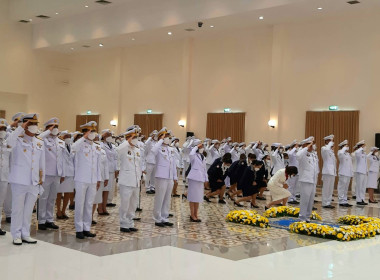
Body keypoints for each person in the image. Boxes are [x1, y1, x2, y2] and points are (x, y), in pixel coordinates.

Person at [8, 114, 45, 245]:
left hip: (34, 181)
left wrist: (42, 180)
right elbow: (8, 144)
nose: (34, 126)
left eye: (36, 124)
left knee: (29, 209)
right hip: (19, 180)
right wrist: (19, 129)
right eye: (31, 124)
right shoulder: (17, 139)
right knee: (18, 209)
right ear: (25, 125)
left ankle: (25, 233)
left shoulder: (39, 142)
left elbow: (42, 163)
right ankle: (16, 234)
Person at [72, 121, 101, 239]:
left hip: (92, 179)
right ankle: (79, 229)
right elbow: (73, 148)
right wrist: (82, 137)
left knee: (89, 204)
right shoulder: (79, 145)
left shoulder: (96, 146)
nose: (93, 133)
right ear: (85, 133)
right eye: (91, 131)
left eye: (94, 131)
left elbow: (98, 164)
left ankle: (86, 228)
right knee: (80, 204)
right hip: (81, 179)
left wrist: (98, 179)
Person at [37, 118, 64, 230]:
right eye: (53, 127)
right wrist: (48, 131)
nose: (55, 129)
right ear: (47, 128)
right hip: (46, 173)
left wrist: (62, 173)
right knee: (43, 197)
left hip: (56, 173)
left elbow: (61, 159)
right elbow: (37, 137)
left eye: (56, 127)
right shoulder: (42, 139)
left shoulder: (59, 141)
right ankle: (41, 220)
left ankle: (49, 219)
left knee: (52, 197)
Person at [117, 128, 142, 232]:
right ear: (128, 138)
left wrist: (141, 177)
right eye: (133, 137)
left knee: (133, 203)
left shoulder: (137, 150)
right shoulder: (123, 148)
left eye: (136, 137)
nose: (135, 139)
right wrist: (127, 140)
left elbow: (138, 165)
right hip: (126, 181)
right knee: (125, 203)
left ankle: (130, 223)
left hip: (136, 181)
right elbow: (118, 149)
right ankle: (123, 224)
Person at [152, 128, 177, 227]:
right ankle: (157, 218)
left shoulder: (171, 149)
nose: (168, 139)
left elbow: (173, 164)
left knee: (167, 198)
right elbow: (153, 151)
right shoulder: (157, 147)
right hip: (161, 176)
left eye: (168, 137)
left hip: (169, 176)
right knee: (160, 197)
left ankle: (165, 217)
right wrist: (160, 140)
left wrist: (175, 177)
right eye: (166, 137)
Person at [297, 137, 318, 222]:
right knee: (304, 200)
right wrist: (306, 147)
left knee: (310, 200)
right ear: (305, 145)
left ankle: (307, 217)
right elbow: (298, 155)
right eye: (310, 145)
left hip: (312, 180)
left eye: (312, 145)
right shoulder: (302, 154)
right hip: (305, 179)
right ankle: (302, 218)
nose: (312, 146)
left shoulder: (313, 154)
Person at [187, 140, 208, 222]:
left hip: (200, 179)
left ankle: (196, 214)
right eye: (200, 147)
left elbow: (204, 169)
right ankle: (192, 215)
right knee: (192, 197)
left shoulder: (202, 156)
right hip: (194, 178)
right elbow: (191, 153)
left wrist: (206, 179)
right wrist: (196, 146)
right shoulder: (193, 155)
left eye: (202, 147)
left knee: (198, 197)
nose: (202, 148)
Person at [56, 131, 75, 219]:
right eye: (66, 136)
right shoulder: (60, 146)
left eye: (69, 136)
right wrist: (61, 173)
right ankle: (58, 211)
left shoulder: (72, 146)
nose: (68, 138)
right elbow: (60, 160)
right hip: (62, 173)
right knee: (59, 193)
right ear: (62, 137)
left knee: (68, 192)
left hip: (70, 172)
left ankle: (64, 210)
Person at [93, 134, 109, 222]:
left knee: (97, 198)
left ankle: (91, 216)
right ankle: (88, 217)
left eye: (97, 137)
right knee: (91, 198)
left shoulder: (102, 150)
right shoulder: (90, 148)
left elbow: (105, 165)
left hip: (101, 177)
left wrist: (106, 178)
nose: (96, 139)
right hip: (92, 178)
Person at [100, 129, 118, 211]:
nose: (109, 137)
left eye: (110, 136)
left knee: (108, 189)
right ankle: (100, 207)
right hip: (103, 170)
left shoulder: (113, 146)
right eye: (107, 136)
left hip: (111, 170)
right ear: (103, 137)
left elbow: (115, 159)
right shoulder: (101, 145)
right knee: (102, 189)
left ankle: (105, 206)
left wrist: (116, 169)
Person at [0, 119, 10, 235]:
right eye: (0, 129)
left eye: (3, 129)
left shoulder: (6, 143)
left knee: (0, 202)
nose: (1, 131)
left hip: (4, 176)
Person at [321, 135, 336, 209]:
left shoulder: (331, 151)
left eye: (332, 141)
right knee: (326, 188)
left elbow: (333, 163)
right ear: (327, 141)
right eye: (330, 141)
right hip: (327, 171)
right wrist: (330, 144)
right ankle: (324, 203)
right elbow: (326, 150)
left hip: (332, 172)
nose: (332, 142)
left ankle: (328, 202)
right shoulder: (324, 148)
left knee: (330, 188)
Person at [337, 140, 353, 207]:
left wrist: (351, 173)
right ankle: (341, 201)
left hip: (348, 173)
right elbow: (340, 153)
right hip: (343, 173)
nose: (347, 147)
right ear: (343, 147)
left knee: (346, 188)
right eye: (346, 146)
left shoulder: (348, 154)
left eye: (347, 146)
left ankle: (345, 200)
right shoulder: (340, 152)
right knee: (342, 187)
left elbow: (350, 164)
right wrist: (343, 148)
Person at [355, 140, 368, 206]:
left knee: (363, 187)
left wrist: (367, 170)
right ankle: (358, 200)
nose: (365, 147)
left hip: (364, 171)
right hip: (360, 171)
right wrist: (360, 148)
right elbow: (356, 152)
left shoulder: (364, 153)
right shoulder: (358, 152)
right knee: (359, 186)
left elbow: (365, 163)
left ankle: (362, 199)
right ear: (361, 146)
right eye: (364, 145)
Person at [287, 140, 300, 205]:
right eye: (296, 146)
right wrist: (294, 147)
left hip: (297, 171)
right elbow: (289, 154)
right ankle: (290, 198)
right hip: (291, 171)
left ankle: (294, 198)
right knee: (291, 186)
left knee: (295, 186)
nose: (297, 147)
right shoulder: (290, 152)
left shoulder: (296, 153)